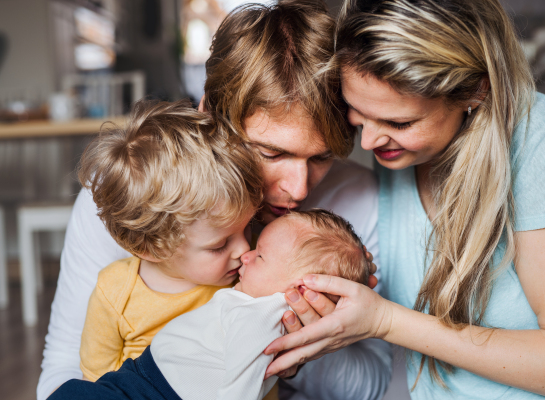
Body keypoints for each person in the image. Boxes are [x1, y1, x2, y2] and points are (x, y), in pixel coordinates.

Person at [37, 2, 393, 400]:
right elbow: (64, 367)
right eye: (271, 153)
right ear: (210, 113)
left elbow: (370, 385)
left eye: (322, 156)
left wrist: (300, 344)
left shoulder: (357, 198)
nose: (299, 189)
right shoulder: (134, 193)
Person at [264, 0, 545, 399]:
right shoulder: (405, 156)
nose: (368, 141)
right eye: (357, 113)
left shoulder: (539, 140)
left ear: (476, 90)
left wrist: (384, 319)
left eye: (399, 122)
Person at [49, 210, 372, 400]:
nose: (245, 253)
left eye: (258, 255)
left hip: (157, 390)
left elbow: (241, 386)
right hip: (144, 377)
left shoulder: (263, 316)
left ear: (300, 288)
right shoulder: (251, 298)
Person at [75, 99, 261, 382]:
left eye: (247, 229)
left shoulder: (249, 278)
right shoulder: (115, 293)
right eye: (219, 245)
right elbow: (97, 381)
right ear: (149, 247)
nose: (245, 249)